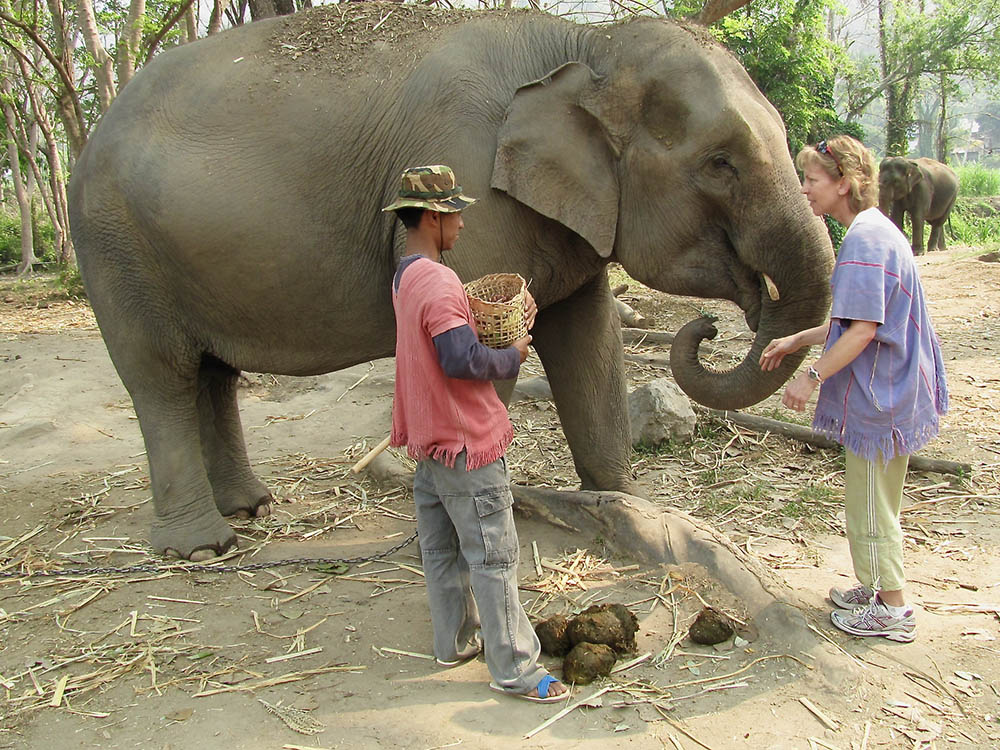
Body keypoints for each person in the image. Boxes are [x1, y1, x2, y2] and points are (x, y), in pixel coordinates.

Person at [382, 165, 569, 702]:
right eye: (456, 213)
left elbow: (443, 339)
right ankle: (516, 668)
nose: (462, 223)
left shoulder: (407, 275)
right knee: (494, 556)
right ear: (435, 217)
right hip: (466, 442)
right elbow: (459, 357)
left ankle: (455, 641)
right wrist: (513, 355)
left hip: (431, 440)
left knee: (441, 549)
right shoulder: (439, 281)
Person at [760, 136, 948, 643]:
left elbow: (863, 331)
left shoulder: (865, 240)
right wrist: (800, 337)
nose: (805, 191)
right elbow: (857, 321)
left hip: (881, 395)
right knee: (877, 497)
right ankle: (877, 588)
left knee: (869, 503)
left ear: (844, 182)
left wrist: (811, 376)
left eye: (812, 181)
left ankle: (893, 609)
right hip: (895, 389)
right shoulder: (873, 231)